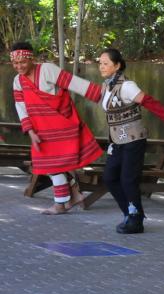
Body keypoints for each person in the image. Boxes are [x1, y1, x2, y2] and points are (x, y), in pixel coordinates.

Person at [97, 48, 164, 234]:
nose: (101, 66)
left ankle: (135, 220)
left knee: (128, 180)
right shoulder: (107, 86)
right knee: (110, 177)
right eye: (100, 63)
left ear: (117, 65)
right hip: (116, 141)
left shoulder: (127, 86)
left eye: (105, 63)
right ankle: (130, 214)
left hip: (134, 140)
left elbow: (150, 102)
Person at [11, 42, 103, 214]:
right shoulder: (17, 81)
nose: (19, 66)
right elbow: (21, 107)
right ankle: (72, 196)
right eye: (15, 63)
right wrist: (30, 131)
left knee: (53, 166)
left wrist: (103, 97)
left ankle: (61, 204)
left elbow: (72, 83)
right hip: (41, 131)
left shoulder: (46, 69)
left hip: (62, 126)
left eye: (22, 62)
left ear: (32, 59)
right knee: (51, 166)